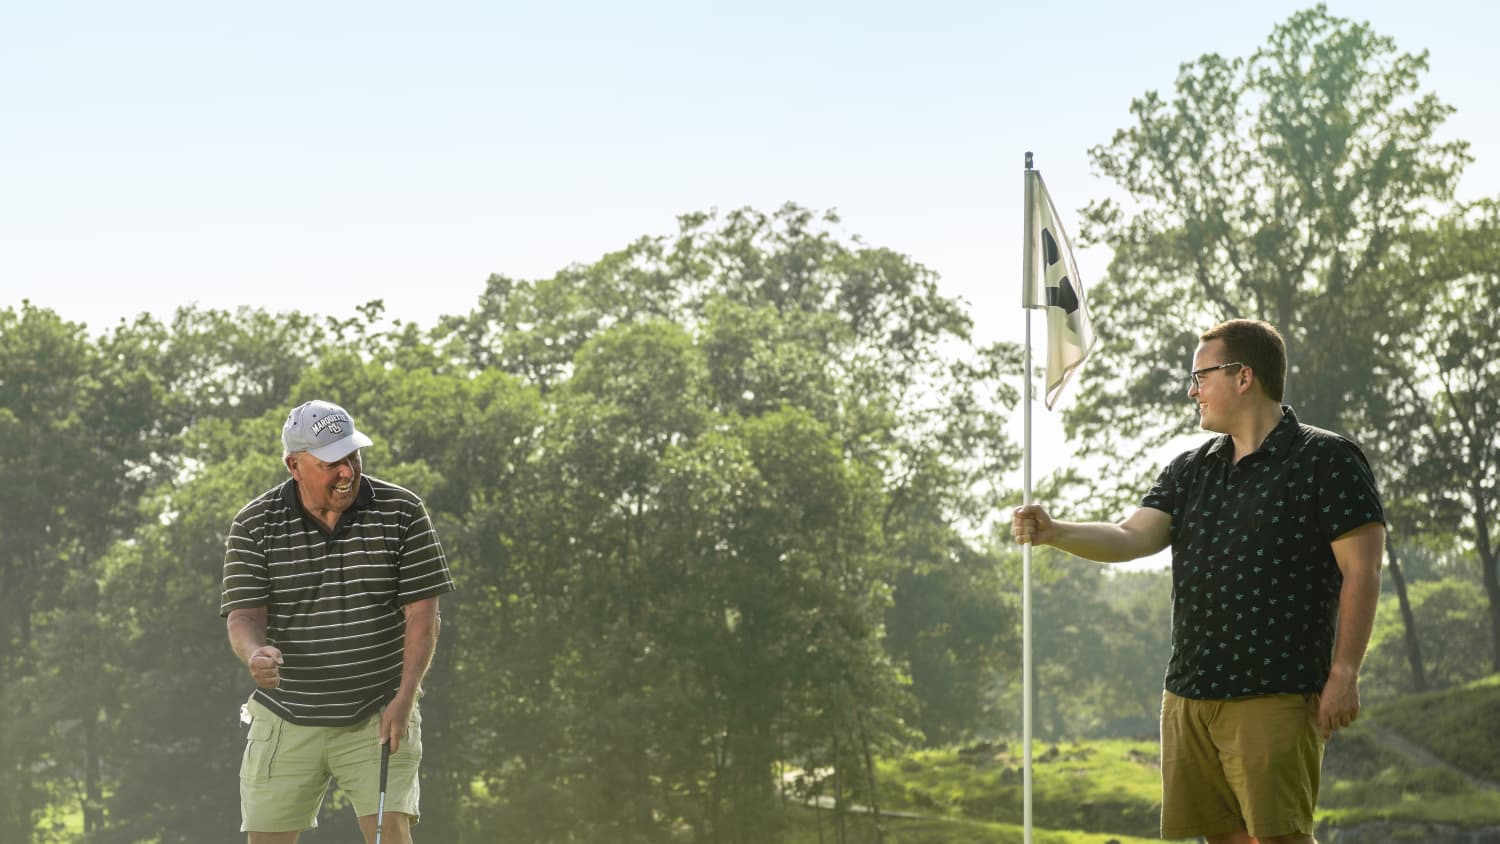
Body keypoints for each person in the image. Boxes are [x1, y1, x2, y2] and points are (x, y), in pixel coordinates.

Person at [1013, 319, 1383, 844]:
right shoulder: (1190, 469)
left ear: (1243, 377)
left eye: (1200, 376)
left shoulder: (1327, 458)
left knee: (1281, 838)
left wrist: (1345, 671)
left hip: (1274, 692)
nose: (1192, 391)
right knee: (1222, 838)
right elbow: (1128, 537)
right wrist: (1055, 531)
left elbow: (1362, 571)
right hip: (1188, 695)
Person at [221, 400, 456, 844]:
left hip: (379, 712)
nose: (347, 471)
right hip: (285, 713)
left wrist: (404, 699)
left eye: (352, 456)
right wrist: (255, 653)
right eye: (332, 462)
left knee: (392, 836)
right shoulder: (255, 524)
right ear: (295, 465)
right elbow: (244, 615)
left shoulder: (402, 511)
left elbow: (423, 616)